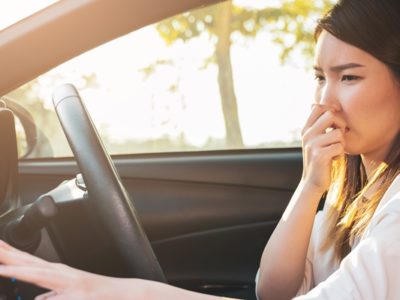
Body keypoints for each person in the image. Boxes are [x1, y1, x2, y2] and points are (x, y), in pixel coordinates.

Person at [0, 0, 399, 299]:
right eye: (319, 78)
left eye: (348, 77)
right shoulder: (357, 191)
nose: (325, 102)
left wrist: (105, 289)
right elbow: (274, 292)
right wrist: (311, 185)